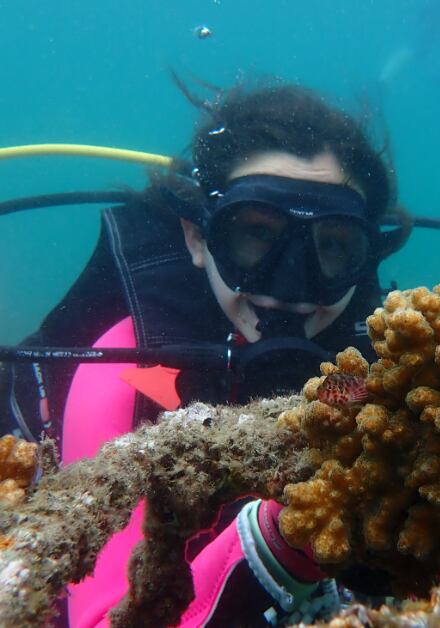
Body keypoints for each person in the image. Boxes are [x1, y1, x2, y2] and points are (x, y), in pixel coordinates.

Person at [0, 80, 411, 626]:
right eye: (257, 235)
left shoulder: (379, 362)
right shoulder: (129, 359)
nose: (289, 286)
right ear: (198, 238)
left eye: (332, 244)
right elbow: (104, 616)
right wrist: (286, 536)